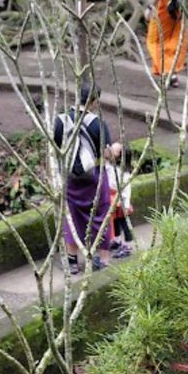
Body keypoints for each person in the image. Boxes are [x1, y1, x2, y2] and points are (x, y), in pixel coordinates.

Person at [54, 83, 119, 274]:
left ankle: (72, 262)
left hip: (71, 179)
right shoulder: (98, 123)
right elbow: (107, 154)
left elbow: (55, 148)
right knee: (101, 215)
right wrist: (115, 150)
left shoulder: (61, 121)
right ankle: (103, 260)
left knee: (71, 217)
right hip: (95, 178)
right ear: (95, 101)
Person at [145, 0, 188, 88]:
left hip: (164, 6)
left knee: (154, 40)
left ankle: (165, 71)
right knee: (173, 40)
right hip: (178, 7)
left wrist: (149, 7)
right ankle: (172, 73)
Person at [108, 145, 135, 258]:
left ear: (119, 156)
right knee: (115, 221)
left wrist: (124, 203)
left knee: (125, 224)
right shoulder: (111, 166)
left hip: (121, 201)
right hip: (113, 198)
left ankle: (128, 246)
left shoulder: (124, 173)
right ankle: (117, 240)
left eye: (113, 150)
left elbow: (126, 190)